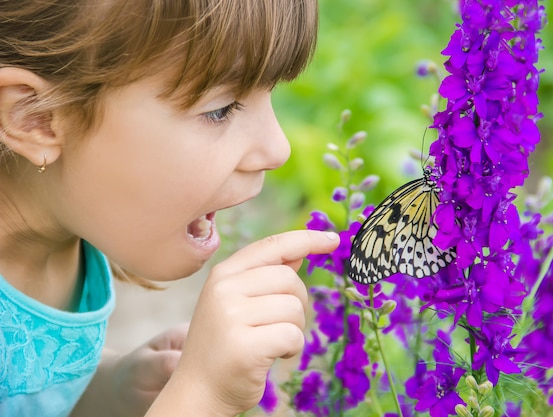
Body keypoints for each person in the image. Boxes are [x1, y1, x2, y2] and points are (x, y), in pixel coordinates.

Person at [0, 1, 340, 416]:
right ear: (36, 118)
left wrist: (113, 388)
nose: (277, 149)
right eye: (220, 109)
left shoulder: (66, 230)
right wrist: (201, 398)